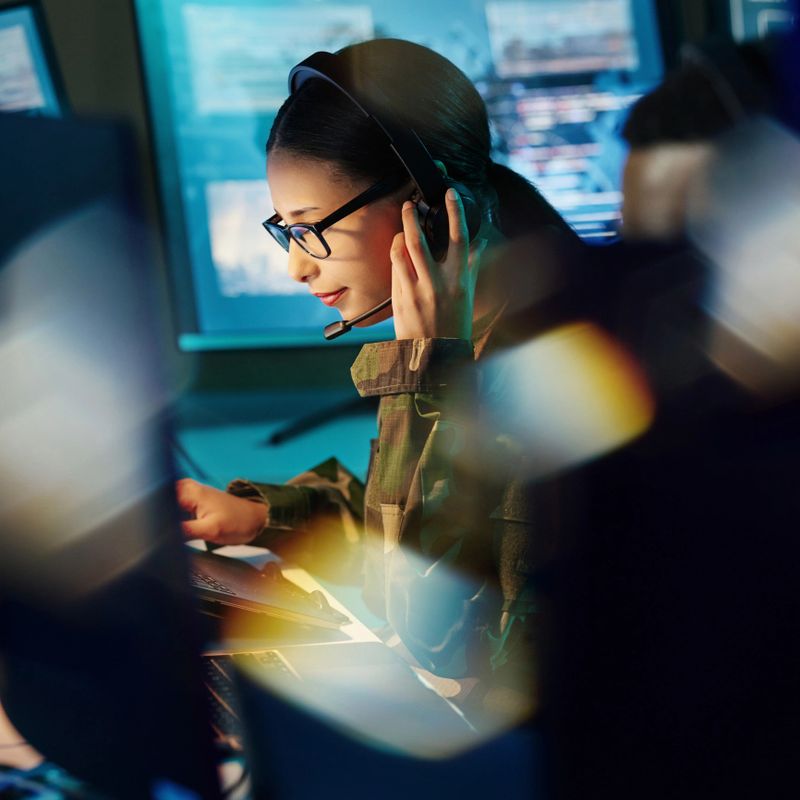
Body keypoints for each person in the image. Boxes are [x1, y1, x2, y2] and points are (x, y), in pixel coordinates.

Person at [176, 38, 580, 724]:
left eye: (312, 230)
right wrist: (265, 514)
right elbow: (441, 514)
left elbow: (440, 639)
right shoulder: (488, 325)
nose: (297, 269)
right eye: (287, 232)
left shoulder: (552, 370)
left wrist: (423, 379)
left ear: (426, 208)